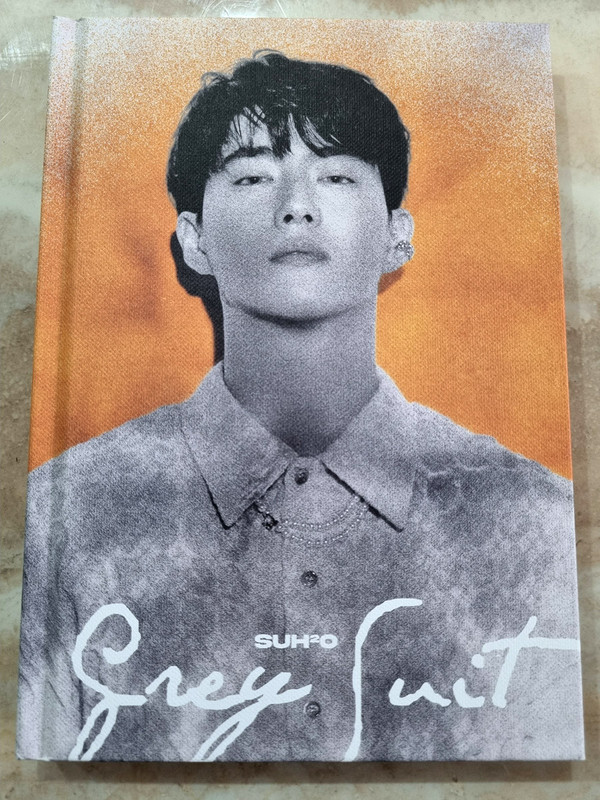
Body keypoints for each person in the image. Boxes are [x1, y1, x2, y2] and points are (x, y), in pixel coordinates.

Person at [17, 51, 583, 763]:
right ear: (194, 240)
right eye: (253, 176)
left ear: (397, 235)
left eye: (338, 175)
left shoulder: (532, 521)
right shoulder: (69, 513)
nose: (297, 205)